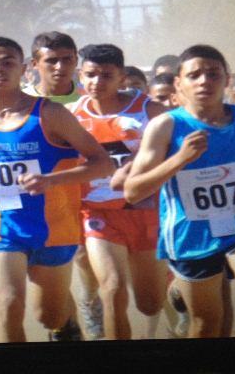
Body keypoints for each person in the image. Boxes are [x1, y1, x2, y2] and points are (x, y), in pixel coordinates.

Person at [0, 37, 113, 343]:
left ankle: (65, 326)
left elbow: (103, 164)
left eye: (7, 62)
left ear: (25, 68)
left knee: (49, 316)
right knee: (6, 302)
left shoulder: (51, 114)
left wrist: (51, 181)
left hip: (52, 229)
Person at [124, 44, 235, 338]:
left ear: (227, 80)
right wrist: (180, 159)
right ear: (179, 83)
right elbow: (133, 192)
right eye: (194, 75)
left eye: (213, 74)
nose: (204, 80)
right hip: (192, 231)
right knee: (207, 322)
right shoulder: (165, 126)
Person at [71, 44, 167, 340]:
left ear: (122, 77)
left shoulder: (150, 110)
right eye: (90, 75)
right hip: (98, 214)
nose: (96, 82)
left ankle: (175, 288)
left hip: (146, 211)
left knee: (150, 304)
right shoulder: (70, 115)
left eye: (106, 75)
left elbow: (176, 152)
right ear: (80, 75)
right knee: (111, 288)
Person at [23, 31, 98, 341]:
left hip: (91, 193)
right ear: (34, 64)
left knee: (87, 263)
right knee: (60, 266)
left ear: (76, 61)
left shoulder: (90, 96)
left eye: (67, 59)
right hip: (44, 202)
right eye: (51, 60)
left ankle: (89, 301)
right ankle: (65, 325)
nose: (60, 67)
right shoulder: (21, 100)